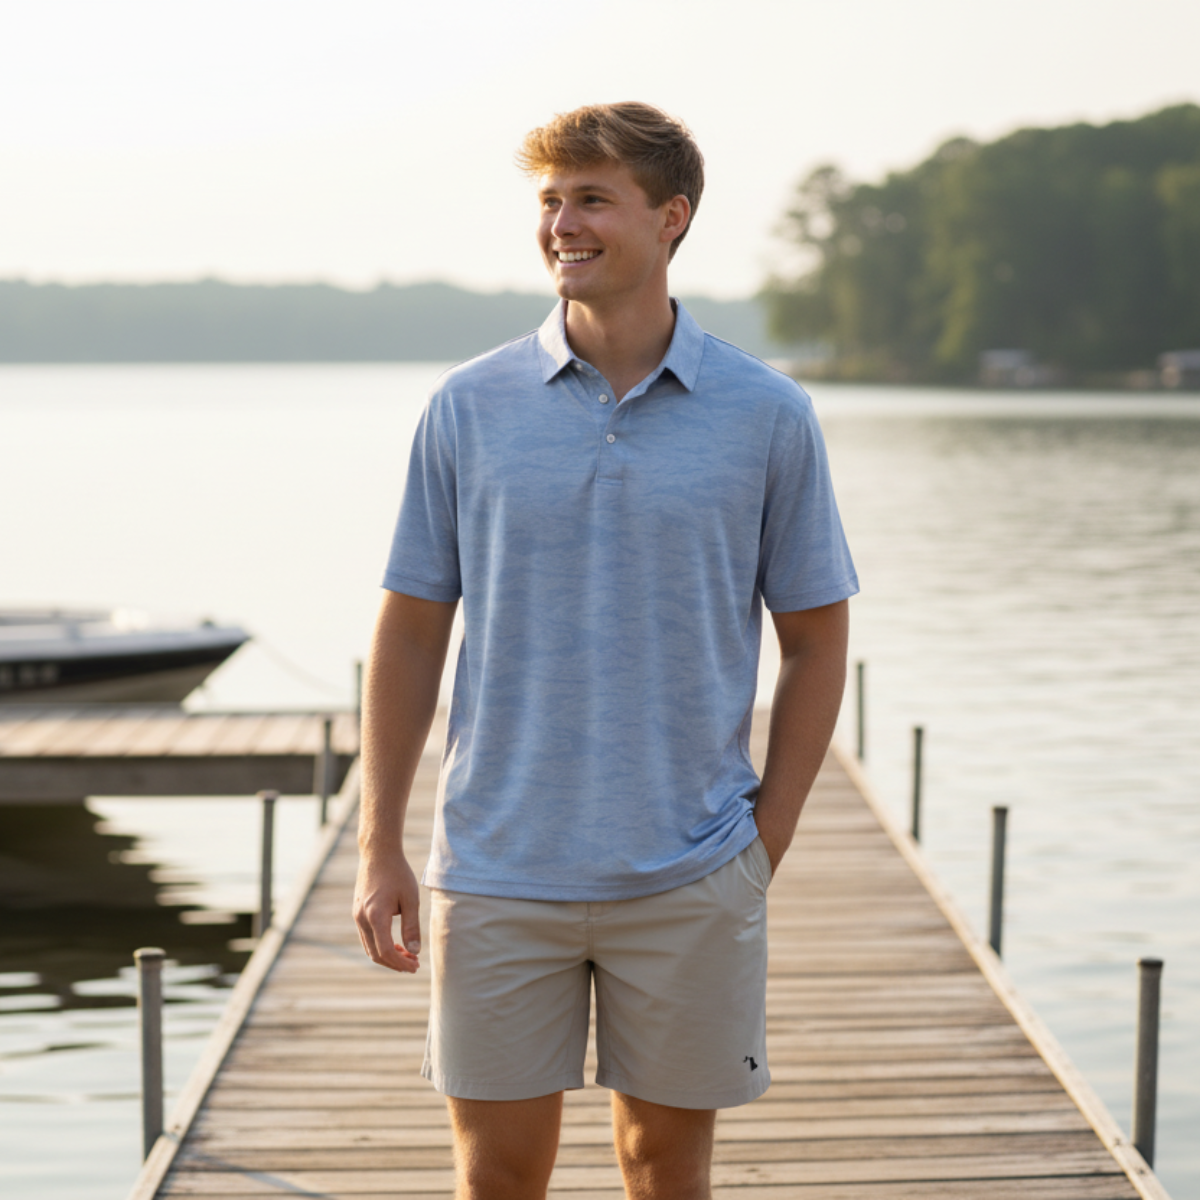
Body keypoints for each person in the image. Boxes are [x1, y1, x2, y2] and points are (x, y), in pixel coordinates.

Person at [353, 101, 858, 1200]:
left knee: (665, 1168)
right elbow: (411, 628)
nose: (562, 225)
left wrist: (765, 838)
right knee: (496, 1176)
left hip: (691, 868)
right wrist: (379, 842)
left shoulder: (767, 413)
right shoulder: (467, 405)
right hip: (496, 868)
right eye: (549, 201)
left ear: (671, 217)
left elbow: (818, 640)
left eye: (591, 199)